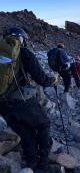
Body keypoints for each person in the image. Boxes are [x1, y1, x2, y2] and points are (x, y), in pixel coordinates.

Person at [0, 27, 58, 171]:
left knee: (26, 133)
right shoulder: (23, 52)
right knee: (43, 124)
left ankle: (31, 163)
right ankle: (43, 164)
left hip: (2, 106)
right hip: (21, 101)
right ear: (21, 39)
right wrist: (53, 80)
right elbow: (41, 78)